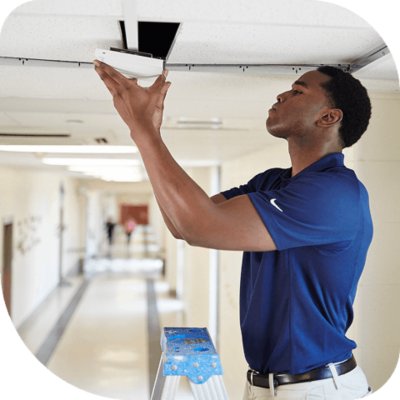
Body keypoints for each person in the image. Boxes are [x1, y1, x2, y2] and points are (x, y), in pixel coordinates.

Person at [94, 60, 373, 399]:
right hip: (266, 384)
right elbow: (181, 223)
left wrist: (143, 130)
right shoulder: (274, 182)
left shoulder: (335, 194)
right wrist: (146, 132)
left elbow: (196, 225)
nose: (281, 94)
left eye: (298, 91)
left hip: (316, 388)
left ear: (329, 116)